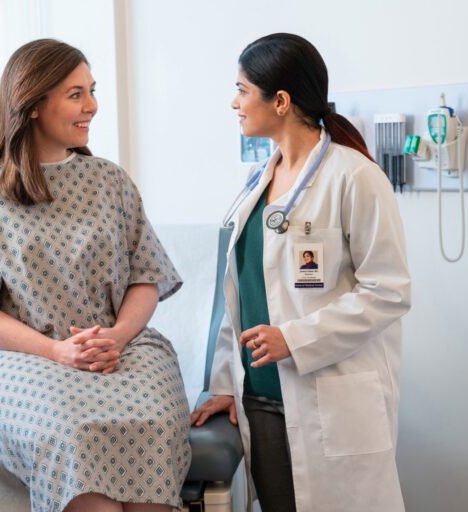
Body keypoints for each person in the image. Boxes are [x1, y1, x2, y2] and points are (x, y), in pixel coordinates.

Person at [0, 39, 190, 512]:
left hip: (121, 347)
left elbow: (145, 278)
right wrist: (57, 351)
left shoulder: (110, 181)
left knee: (154, 425)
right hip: (17, 357)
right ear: (32, 103)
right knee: (74, 434)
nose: (91, 106)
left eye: (92, 91)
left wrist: (115, 336)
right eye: (75, 94)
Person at [190, 33, 411, 512]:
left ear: (282, 101)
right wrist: (226, 382)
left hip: (331, 394)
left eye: (243, 90)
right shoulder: (257, 183)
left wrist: (295, 338)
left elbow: (388, 292)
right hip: (262, 399)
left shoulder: (355, 178)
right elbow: (241, 295)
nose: (235, 102)